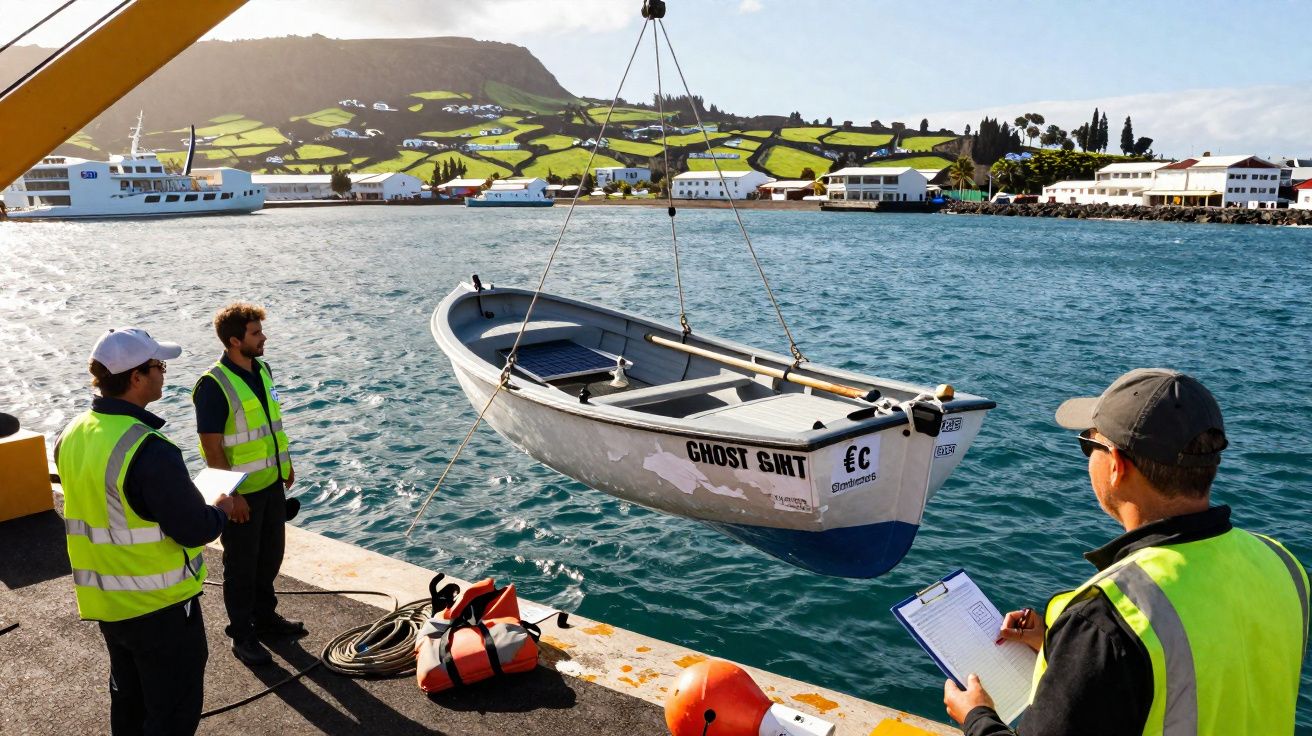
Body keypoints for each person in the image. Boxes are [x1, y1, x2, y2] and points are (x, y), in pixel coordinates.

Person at [944, 368, 1309, 735]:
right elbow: (1213, 672)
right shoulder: (1282, 563)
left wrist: (977, 717)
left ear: (1117, 465)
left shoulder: (1108, 617)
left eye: (1089, 444)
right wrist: (1064, 651)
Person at [56, 328, 232, 735]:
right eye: (159, 366)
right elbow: (193, 529)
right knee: (172, 713)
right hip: (160, 608)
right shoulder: (150, 448)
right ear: (136, 377)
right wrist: (220, 507)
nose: (163, 373)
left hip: (108, 603)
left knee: (129, 705)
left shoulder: (72, 433)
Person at [191, 302, 302, 667]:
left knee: (270, 557)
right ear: (234, 340)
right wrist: (230, 494)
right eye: (255, 333)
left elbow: (270, 426)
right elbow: (212, 446)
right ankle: (242, 635)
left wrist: (286, 464)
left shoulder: (263, 369)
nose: (263, 337)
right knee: (241, 566)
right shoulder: (212, 386)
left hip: (271, 485)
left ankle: (265, 618)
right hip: (242, 494)